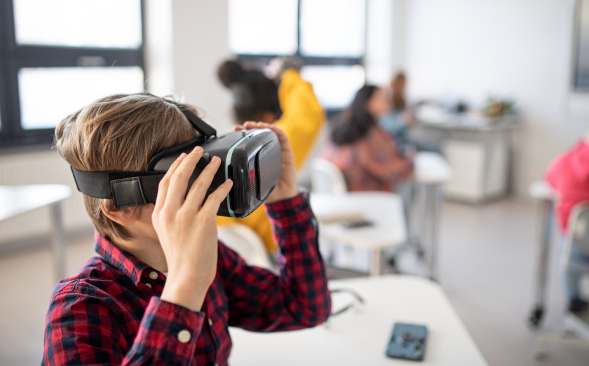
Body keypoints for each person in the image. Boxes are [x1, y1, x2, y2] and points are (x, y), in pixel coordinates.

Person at [42, 94, 330, 365]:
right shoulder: (80, 308)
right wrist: (186, 287)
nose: (205, 186)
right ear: (120, 208)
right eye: (183, 179)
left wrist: (285, 202)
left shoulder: (211, 255)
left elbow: (304, 307)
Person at [216, 58, 324, 254]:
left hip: (232, 260)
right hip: (269, 255)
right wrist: (290, 74)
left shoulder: (222, 150)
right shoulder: (268, 144)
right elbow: (307, 116)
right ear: (268, 117)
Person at [546, 102, 589, 313]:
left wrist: (585, 145)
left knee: (567, 235)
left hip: (577, 250)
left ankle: (573, 299)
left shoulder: (571, 160)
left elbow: (550, 178)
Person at [321, 85, 413, 192]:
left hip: (345, 194)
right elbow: (385, 170)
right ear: (367, 102)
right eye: (382, 97)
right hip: (362, 194)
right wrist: (409, 163)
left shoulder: (347, 126)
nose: (388, 101)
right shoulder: (366, 136)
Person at [378, 72, 416, 147]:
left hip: (403, 132)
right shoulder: (388, 98)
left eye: (405, 83)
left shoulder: (402, 98)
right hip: (393, 136)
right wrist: (402, 119)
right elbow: (386, 124)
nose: (404, 86)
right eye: (402, 83)